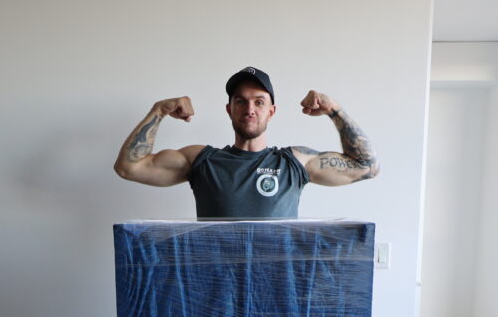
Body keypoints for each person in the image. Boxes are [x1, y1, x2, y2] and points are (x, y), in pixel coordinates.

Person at [113, 66, 379, 218]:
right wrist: (158, 111)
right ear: (229, 109)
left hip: (276, 297)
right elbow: (129, 167)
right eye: (240, 101)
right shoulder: (202, 160)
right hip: (215, 298)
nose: (249, 109)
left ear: (271, 111)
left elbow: (367, 166)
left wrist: (335, 110)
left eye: (259, 102)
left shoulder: (294, 162)